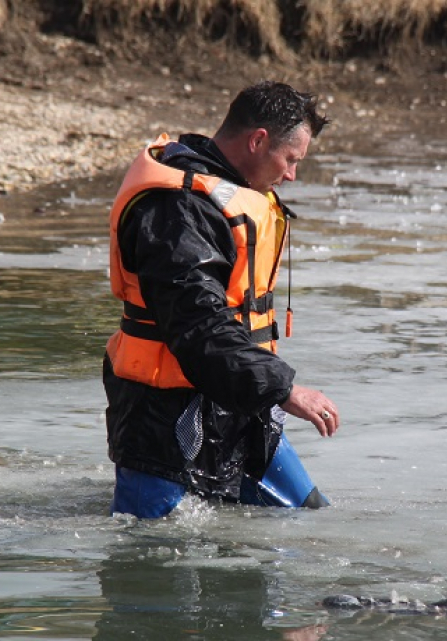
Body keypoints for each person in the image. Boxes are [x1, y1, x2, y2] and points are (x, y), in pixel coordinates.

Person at [103, 81, 340, 517]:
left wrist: (266, 390)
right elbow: (197, 325)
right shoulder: (177, 210)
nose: (291, 175)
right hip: (163, 419)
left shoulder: (228, 189)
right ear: (258, 141)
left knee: (311, 517)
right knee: (147, 547)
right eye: (291, 160)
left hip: (238, 408)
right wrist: (282, 388)